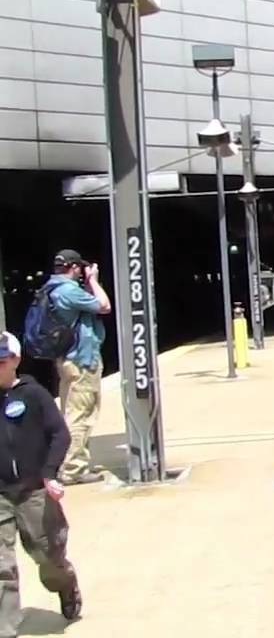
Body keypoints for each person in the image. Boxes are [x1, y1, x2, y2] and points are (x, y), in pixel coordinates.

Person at [0, 331, 81, 636]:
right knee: (1, 566)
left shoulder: (34, 395)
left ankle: (67, 585)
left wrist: (49, 473)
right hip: (1, 494)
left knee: (50, 559)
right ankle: (6, 628)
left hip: (34, 490)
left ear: (15, 360)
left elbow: (60, 435)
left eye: (1, 361)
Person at [44, 250, 110, 486]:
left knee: (71, 412)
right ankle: (73, 469)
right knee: (81, 415)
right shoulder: (69, 290)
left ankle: (70, 462)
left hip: (67, 359)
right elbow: (104, 305)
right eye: (81, 268)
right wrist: (92, 280)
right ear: (74, 267)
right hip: (81, 360)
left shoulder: (52, 288)